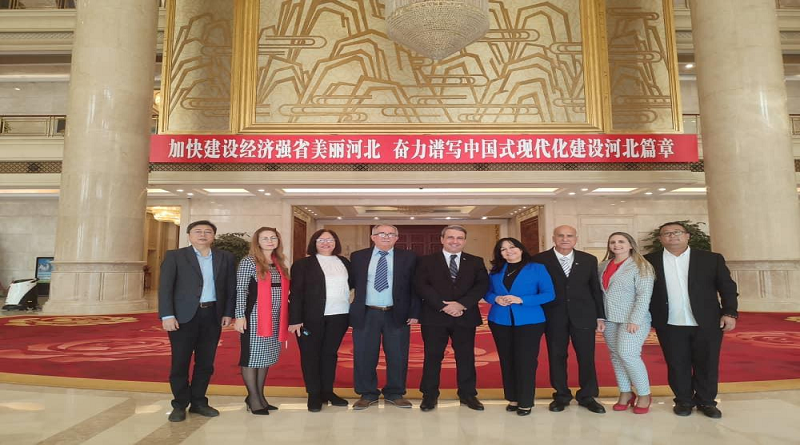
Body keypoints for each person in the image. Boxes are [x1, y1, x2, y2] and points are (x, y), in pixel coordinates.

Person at [645, 221, 738, 419]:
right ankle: (683, 401)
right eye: (667, 233)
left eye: (677, 232)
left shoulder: (710, 259)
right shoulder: (649, 261)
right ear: (660, 239)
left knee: (707, 363)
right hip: (669, 322)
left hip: (707, 321)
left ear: (688, 236)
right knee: (677, 364)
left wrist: (730, 312)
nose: (672, 236)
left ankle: (707, 401)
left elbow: (727, 287)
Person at [158, 220, 235, 422]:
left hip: (212, 315)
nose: (203, 235)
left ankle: (199, 402)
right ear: (189, 235)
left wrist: (228, 312)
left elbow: (230, 287)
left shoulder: (225, 257)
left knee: (206, 363)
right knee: (180, 362)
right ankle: (179, 404)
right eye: (198, 231)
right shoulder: (175, 256)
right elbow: (165, 287)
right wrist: (167, 315)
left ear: (213, 236)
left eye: (208, 231)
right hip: (182, 317)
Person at [532, 225, 606, 414]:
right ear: (553, 238)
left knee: (586, 356)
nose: (565, 239)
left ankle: (587, 396)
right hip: (553, 316)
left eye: (569, 236)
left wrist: (600, 315)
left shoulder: (588, 259)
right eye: (561, 235)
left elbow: (595, 289)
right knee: (557, 356)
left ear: (576, 239)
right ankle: (561, 395)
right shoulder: (540, 260)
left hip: (584, 315)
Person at [416, 225, 489, 412]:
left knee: (466, 356)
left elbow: (481, 286)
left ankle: (468, 394)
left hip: (465, 316)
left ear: (464, 241)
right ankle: (429, 395)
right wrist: (443, 306)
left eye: (459, 238)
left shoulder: (475, 261)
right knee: (433, 356)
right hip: (434, 316)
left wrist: (461, 304)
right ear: (442, 239)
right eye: (450, 237)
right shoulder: (426, 261)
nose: (455, 241)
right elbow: (421, 285)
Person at [349, 224, 418, 410]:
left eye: (391, 234)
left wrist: (414, 312)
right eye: (381, 233)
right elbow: (350, 283)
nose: (386, 237)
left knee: (398, 355)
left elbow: (415, 286)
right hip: (366, 312)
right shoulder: (358, 257)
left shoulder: (409, 257)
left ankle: (395, 393)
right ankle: (367, 393)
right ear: (373, 237)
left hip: (397, 313)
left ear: (397, 238)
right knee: (364, 354)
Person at [484, 238, 555, 416]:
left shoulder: (537, 268)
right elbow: (487, 292)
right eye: (503, 249)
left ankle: (525, 401)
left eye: (512, 247)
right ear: (500, 254)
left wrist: (521, 299)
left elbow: (549, 294)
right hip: (500, 320)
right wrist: (495, 299)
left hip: (529, 321)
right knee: (507, 360)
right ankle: (513, 398)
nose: (508, 251)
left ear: (521, 249)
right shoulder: (496, 270)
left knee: (526, 361)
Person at [288, 229, 352, 412]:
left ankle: (327, 391)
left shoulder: (344, 262)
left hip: (339, 315)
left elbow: (352, 284)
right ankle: (314, 394)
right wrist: (295, 319)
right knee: (310, 355)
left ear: (336, 242)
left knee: (330, 354)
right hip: (310, 317)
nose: (326, 243)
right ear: (314, 243)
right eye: (321, 240)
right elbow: (296, 293)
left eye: (330, 239)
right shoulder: (302, 264)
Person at [233, 227, 289, 415]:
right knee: (252, 357)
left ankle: (260, 397)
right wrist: (239, 315)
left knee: (265, 356)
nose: (270, 241)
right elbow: (241, 290)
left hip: (275, 317)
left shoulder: (278, 262)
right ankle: (253, 399)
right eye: (265, 238)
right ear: (257, 241)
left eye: (273, 237)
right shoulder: (249, 261)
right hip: (255, 316)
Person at [599, 232, 655, 414]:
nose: (616, 245)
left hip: (632, 319)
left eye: (621, 241)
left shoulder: (641, 265)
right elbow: (599, 294)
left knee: (628, 354)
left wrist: (635, 319)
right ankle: (625, 392)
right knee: (616, 356)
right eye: (612, 242)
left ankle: (644, 394)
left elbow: (644, 295)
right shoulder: (603, 265)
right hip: (609, 318)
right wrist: (599, 317)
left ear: (631, 245)